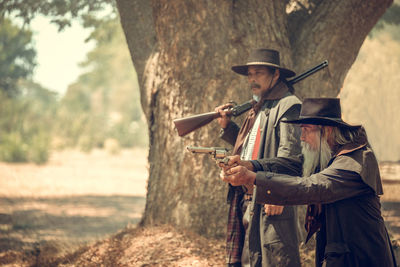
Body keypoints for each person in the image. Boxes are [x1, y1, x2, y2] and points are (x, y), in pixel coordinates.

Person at [220, 98, 397, 267]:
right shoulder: (330, 153)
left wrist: (252, 178)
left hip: (362, 258)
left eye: (306, 130)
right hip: (342, 255)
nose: (301, 137)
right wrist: (250, 165)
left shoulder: (354, 162)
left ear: (326, 131)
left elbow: (312, 187)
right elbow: (291, 163)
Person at [215, 48, 302, 267]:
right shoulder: (260, 106)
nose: (252, 79)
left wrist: (277, 193)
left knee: (275, 261)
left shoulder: (288, 105)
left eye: (259, 73)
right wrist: (228, 127)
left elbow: (290, 159)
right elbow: (252, 149)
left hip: (270, 201)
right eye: (250, 74)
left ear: (276, 75)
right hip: (248, 200)